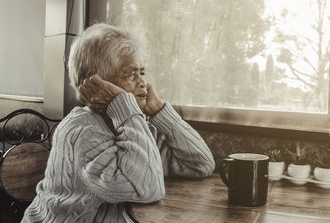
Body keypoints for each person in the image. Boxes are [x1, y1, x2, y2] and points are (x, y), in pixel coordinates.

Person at [22, 23, 215, 222]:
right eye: (129, 74)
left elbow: (201, 164)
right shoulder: (81, 129)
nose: (143, 83)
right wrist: (125, 106)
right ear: (97, 82)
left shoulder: (135, 127)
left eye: (141, 72)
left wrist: (159, 110)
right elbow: (147, 189)